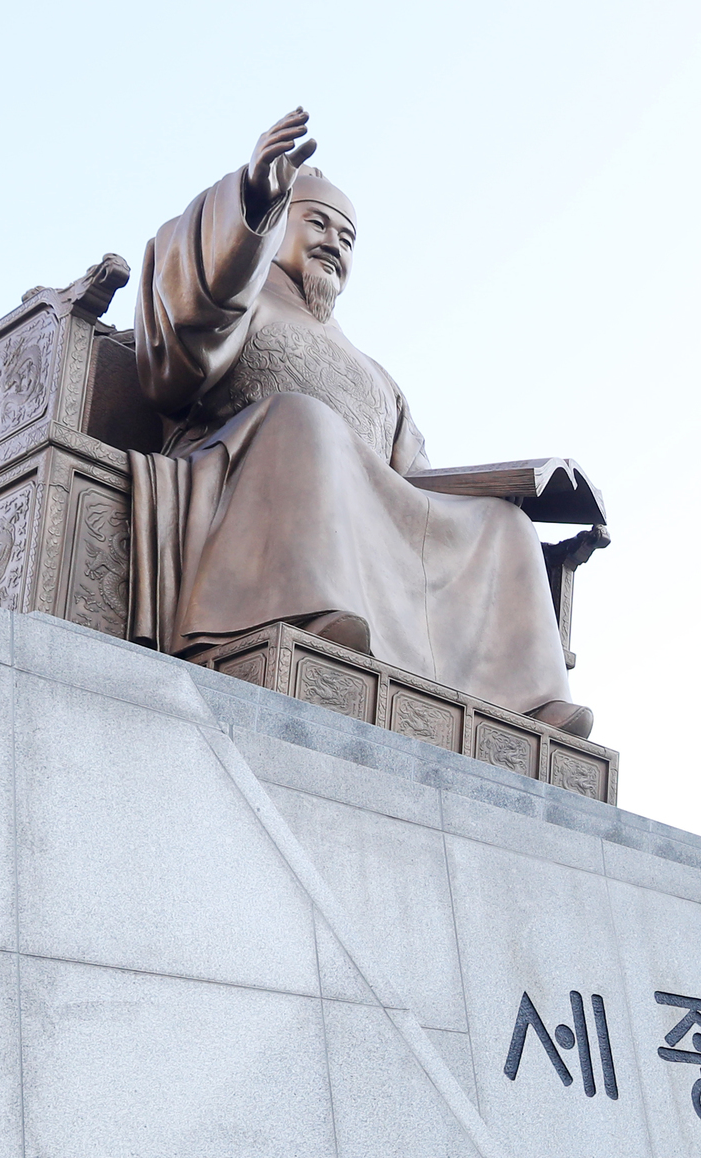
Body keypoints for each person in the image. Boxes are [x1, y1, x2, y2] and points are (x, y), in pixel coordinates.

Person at [128, 105, 591, 735]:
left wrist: (507, 488)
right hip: (241, 482)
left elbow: (415, 487)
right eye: (315, 223)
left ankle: (527, 700)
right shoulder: (242, 300)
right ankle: (313, 613)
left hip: (372, 521)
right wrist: (252, 205)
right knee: (307, 422)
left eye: (346, 239)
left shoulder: (377, 377)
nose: (332, 245)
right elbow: (190, 323)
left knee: (504, 524)